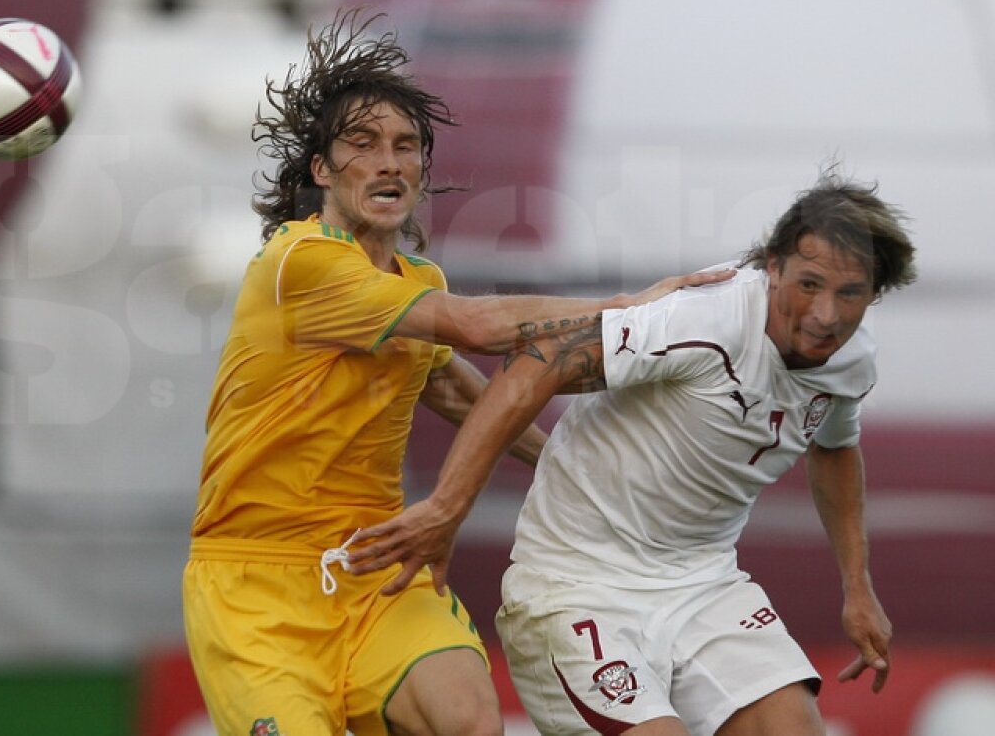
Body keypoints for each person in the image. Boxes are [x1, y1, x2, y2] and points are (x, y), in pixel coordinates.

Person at [181, 7, 731, 736]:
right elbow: (480, 328)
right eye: (363, 144)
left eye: (406, 146)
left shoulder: (417, 279)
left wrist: (564, 466)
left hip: (377, 562)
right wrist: (629, 307)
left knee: (469, 718)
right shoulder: (300, 261)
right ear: (321, 171)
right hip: (257, 584)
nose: (389, 161)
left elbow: (450, 387)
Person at [348, 172, 917, 736]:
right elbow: (540, 359)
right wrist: (447, 506)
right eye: (809, 284)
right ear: (774, 265)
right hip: (576, 586)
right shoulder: (704, 318)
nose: (825, 315)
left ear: (875, 293)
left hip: (705, 585)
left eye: (850, 294)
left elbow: (835, 448)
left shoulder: (851, 360)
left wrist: (857, 586)